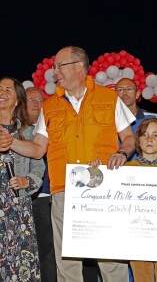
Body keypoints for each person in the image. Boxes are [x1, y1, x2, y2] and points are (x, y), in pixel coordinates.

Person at [0, 46, 136, 282]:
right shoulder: (49, 106)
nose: (54, 72)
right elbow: (38, 148)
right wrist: (11, 142)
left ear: (78, 67)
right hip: (64, 192)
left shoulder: (109, 98)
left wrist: (122, 153)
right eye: (54, 67)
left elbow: (130, 138)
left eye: (58, 66)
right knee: (67, 263)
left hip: (104, 191)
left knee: (111, 260)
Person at [0, 77, 45, 281]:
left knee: (18, 260)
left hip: (17, 207)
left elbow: (38, 166)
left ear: (18, 99)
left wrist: (29, 181)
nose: (2, 92)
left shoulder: (28, 131)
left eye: (8, 89)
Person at [125, 118, 157, 282]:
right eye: (145, 135)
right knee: (142, 277)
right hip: (138, 235)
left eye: (156, 135)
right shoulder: (126, 169)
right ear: (138, 141)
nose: (149, 139)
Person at [26, 87, 57, 282]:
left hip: (45, 198)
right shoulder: (14, 129)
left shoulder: (51, 128)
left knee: (47, 250)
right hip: (19, 199)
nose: (38, 104)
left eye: (40, 101)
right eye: (32, 100)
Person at [115, 77, 157, 160]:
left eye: (129, 89)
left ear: (137, 94)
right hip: (116, 169)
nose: (124, 93)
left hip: (144, 169)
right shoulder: (108, 120)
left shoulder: (152, 118)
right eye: (120, 90)